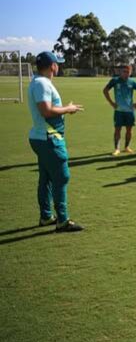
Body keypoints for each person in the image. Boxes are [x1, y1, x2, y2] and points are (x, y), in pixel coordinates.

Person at [28, 51, 84, 232]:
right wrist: (68, 108)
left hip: (42, 137)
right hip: (49, 138)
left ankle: (46, 216)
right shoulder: (42, 83)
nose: (58, 66)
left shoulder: (39, 82)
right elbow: (46, 111)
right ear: (52, 65)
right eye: (57, 63)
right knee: (61, 177)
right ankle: (62, 220)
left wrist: (66, 108)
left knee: (46, 178)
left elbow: (49, 108)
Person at [103, 64, 136, 156]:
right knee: (117, 129)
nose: (126, 74)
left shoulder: (132, 82)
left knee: (129, 130)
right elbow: (105, 90)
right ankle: (117, 149)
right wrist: (111, 102)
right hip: (119, 111)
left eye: (128, 72)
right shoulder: (115, 81)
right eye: (124, 72)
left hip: (130, 111)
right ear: (120, 72)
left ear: (130, 72)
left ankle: (126, 147)